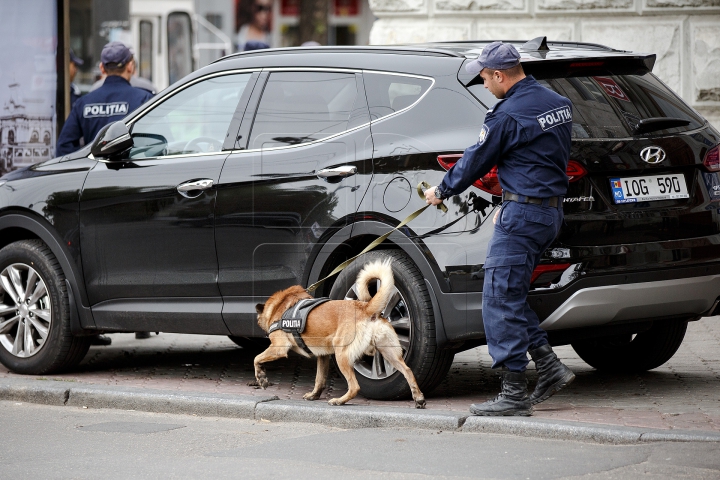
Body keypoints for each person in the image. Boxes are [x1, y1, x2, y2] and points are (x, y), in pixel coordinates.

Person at [425, 42, 576, 416]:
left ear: (500, 74)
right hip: (547, 213)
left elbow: (477, 159)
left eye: (484, 77)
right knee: (508, 293)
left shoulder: (506, 115)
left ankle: (513, 392)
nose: (483, 83)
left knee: (496, 300)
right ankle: (548, 365)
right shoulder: (557, 102)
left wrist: (442, 189)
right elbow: (538, 158)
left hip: (524, 217)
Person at [56, 41, 153, 157]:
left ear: (102, 68)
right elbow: (158, 141)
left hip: (95, 172)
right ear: (130, 67)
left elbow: (64, 146)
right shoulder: (143, 99)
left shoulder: (84, 103)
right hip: (131, 171)